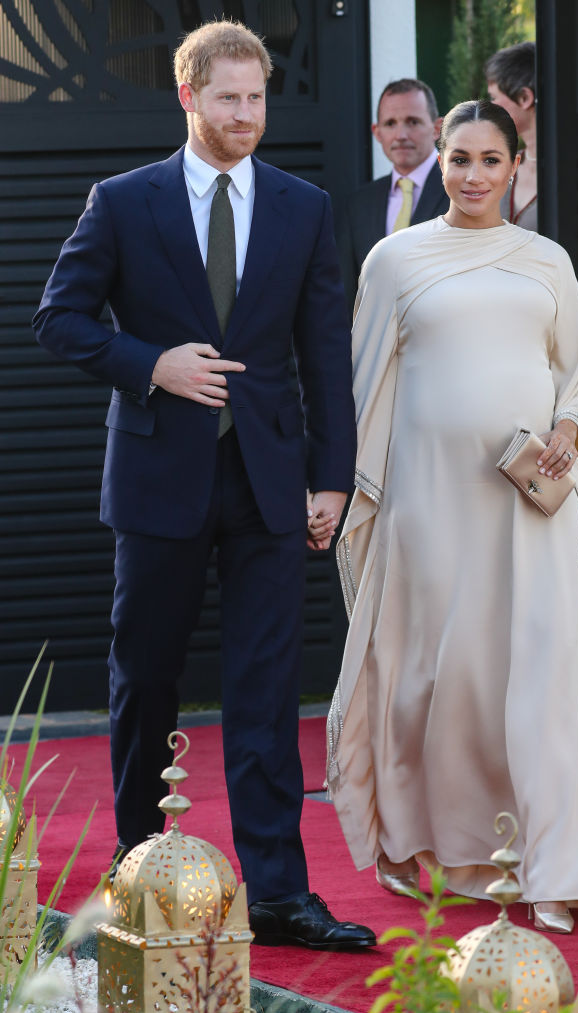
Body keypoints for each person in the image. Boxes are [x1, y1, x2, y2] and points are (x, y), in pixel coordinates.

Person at [34, 19, 375, 952]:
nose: (247, 115)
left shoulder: (302, 207)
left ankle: (277, 896)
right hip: (157, 479)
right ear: (189, 96)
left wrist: (331, 480)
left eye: (257, 98)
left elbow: (323, 357)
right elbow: (57, 319)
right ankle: (141, 876)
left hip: (270, 483)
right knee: (145, 681)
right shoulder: (124, 200)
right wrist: (153, 364)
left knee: (265, 693)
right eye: (228, 98)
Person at [326, 99, 578, 934]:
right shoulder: (393, 261)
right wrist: (353, 492)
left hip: (528, 500)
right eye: (458, 158)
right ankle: (433, 850)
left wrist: (567, 435)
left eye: (489, 161)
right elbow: (361, 387)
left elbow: (571, 373)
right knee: (441, 678)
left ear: (514, 167)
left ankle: (557, 864)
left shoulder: (547, 261)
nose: (472, 176)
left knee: (546, 672)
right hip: (428, 506)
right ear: (438, 160)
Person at [337, 78, 447, 310]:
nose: (401, 135)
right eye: (390, 124)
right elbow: (347, 292)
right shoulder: (359, 205)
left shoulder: (460, 191)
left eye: (412, 122)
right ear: (377, 132)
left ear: (437, 128)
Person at [485, 41, 537, 229]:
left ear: (524, 98)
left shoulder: (568, 173)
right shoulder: (503, 168)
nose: (490, 107)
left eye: (494, 98)